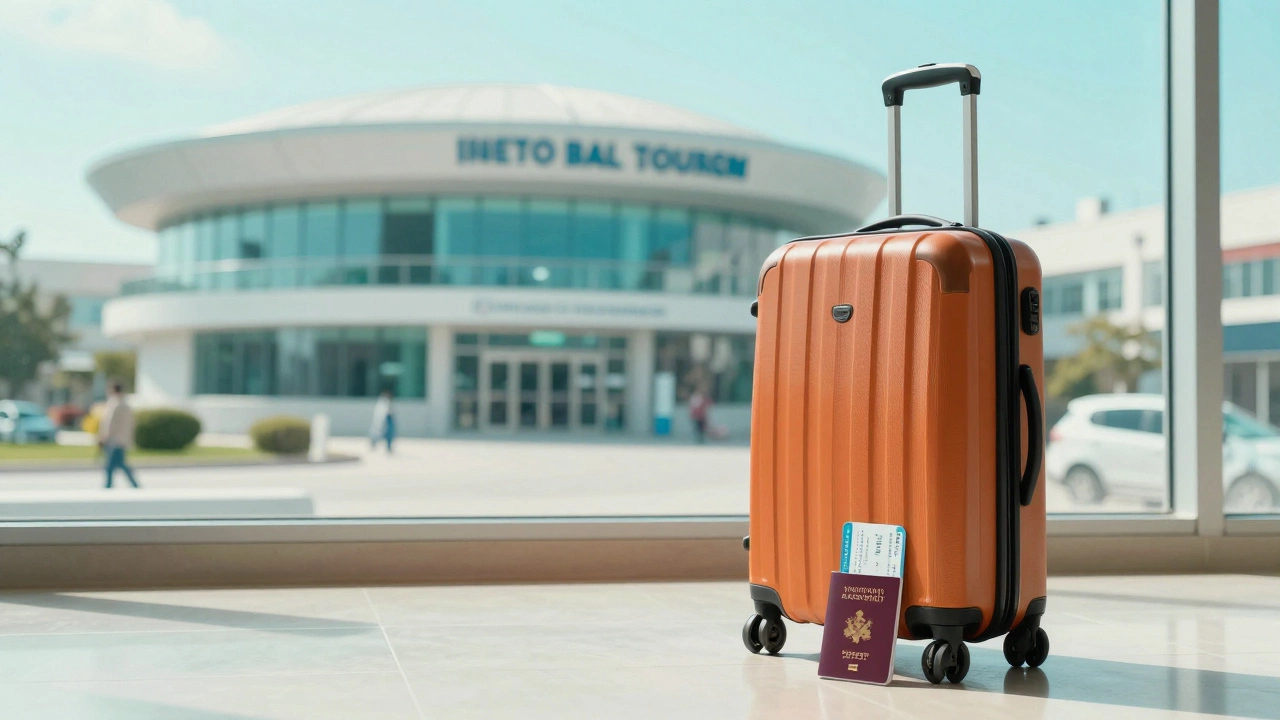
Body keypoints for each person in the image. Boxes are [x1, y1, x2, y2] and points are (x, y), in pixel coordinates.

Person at [97, 382, 139, 489]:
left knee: (112, 465)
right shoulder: (126, 405)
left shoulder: (114, 405)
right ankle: (133, 484)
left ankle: (109, 486)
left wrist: (104, 436)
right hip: (122, 440)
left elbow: (109, 423)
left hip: (114, 440)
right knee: (119, 464)